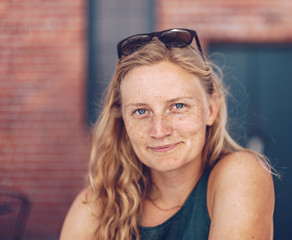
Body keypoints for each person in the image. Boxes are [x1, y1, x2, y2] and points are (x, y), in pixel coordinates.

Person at [60, 28, 275, 240]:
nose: (159, 130)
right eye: (141, 111)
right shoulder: (93, 208)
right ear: (123, 121)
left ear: (210, 110)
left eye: (178, 106)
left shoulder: (241, 173)